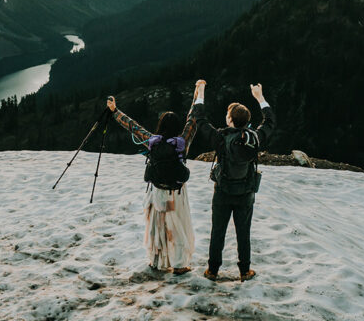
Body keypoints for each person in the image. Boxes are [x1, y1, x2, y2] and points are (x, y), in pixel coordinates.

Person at [106, 83, 200, 275]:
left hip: (156, 192)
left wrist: (115, 111)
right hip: (176, 193)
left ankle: (157, 262)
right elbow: (193, 120)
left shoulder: (152, 142)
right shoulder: (182, 143)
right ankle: (180, 264)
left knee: (157, 228)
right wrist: (198, 95)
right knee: (178, 228)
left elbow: (133, 127)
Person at [192, 80, 275, 281]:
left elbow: (200, 119)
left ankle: (212, 270)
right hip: (246, 192)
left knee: (217, 231)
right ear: (247, 121)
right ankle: (245, 271)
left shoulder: (220, 138)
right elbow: (270, 121)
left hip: (222, 191)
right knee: (243, 233)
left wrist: (200, 93)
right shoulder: (254, 138)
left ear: (230, 120)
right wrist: (260, 97)